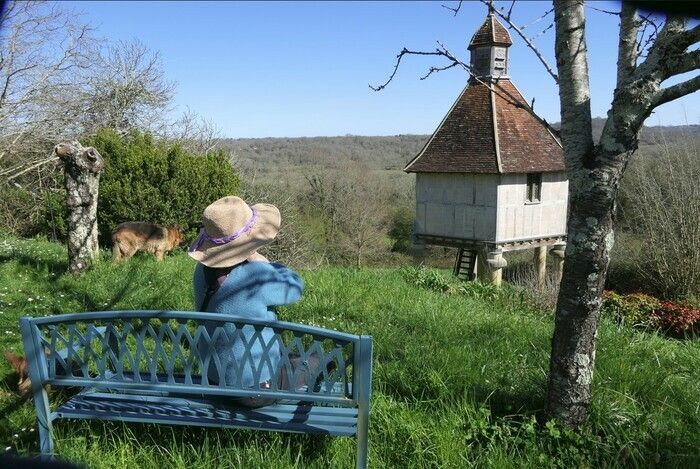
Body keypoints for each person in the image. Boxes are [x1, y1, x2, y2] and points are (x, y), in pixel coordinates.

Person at [188, 196, 304, 405]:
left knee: (289, 357)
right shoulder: (254, 276)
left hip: (214, 381)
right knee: (316, 361)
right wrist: (268, 265)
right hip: (254, 390)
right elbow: (295, 287)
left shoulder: (201, 272)